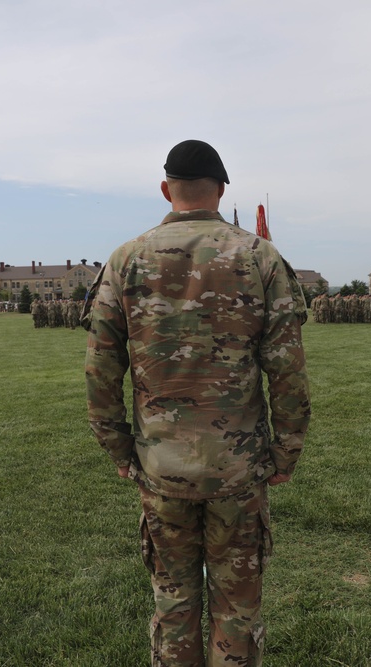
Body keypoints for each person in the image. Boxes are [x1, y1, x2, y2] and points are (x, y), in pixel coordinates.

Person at [83, 140, 311, 666]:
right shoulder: (259, 257)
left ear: (166, 189)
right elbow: (287, 370)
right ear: (222, 189)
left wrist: (119, 451)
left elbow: (100, 370)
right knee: (237, 606)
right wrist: (286, 451)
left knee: (174, 600)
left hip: (161, 466)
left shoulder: (126, 259)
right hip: (238, 468)